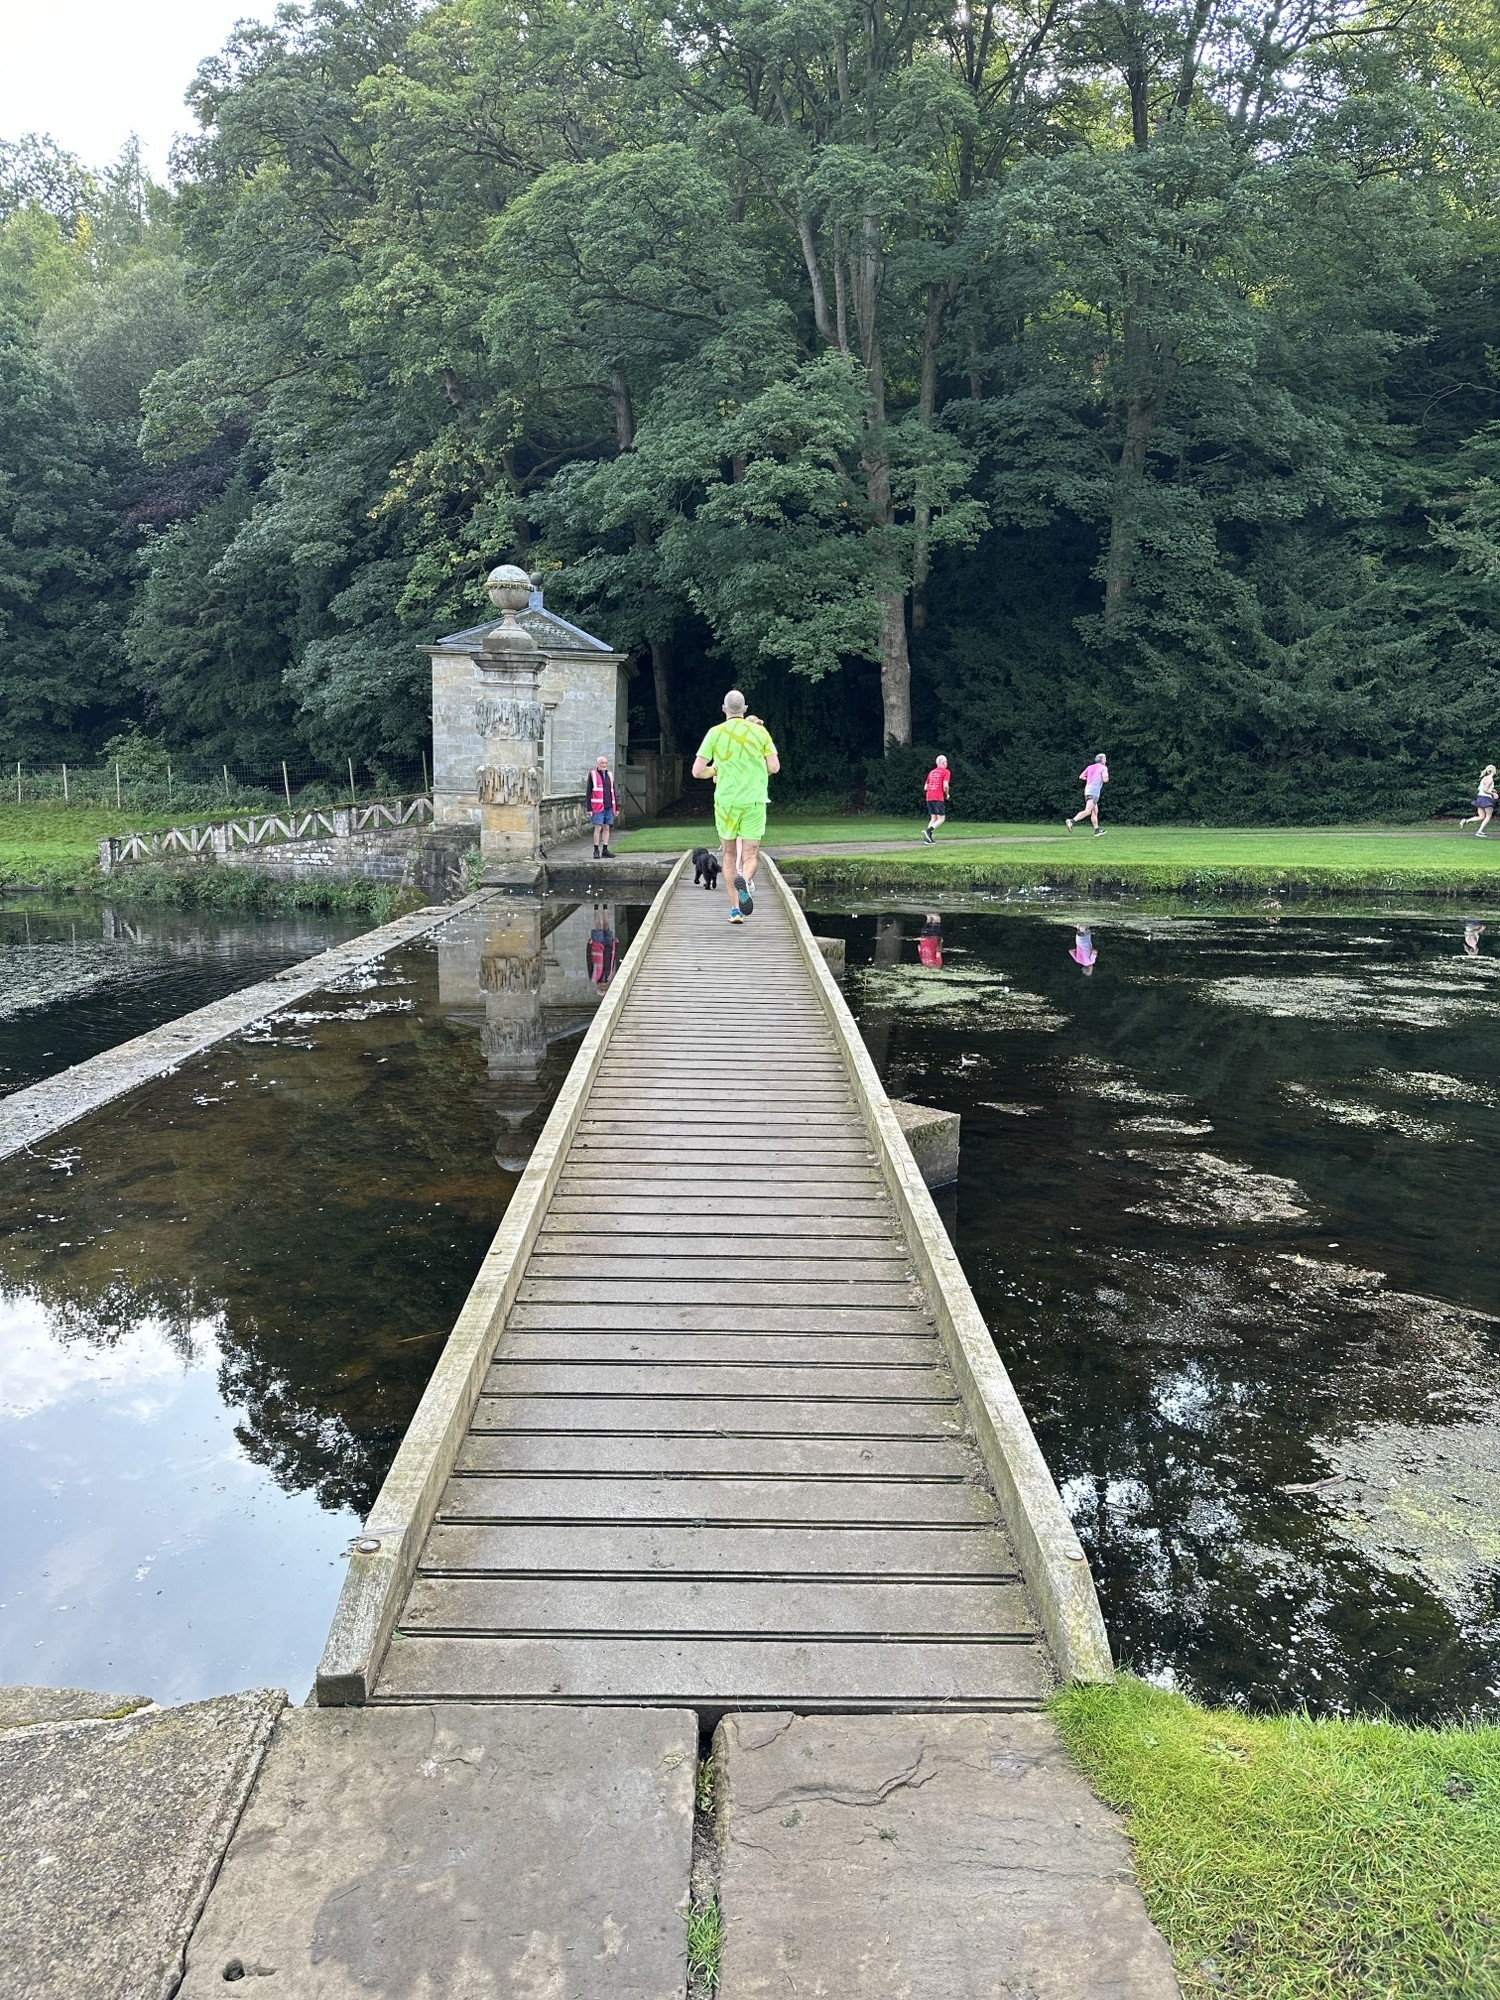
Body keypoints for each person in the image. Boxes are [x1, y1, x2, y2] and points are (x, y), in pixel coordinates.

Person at [692, 691, 780, 923]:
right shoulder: (760, 732)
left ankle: (735, 910)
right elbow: (774, 767)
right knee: (750, 854)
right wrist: (755, 767)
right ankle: (746, 880)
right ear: (745, 708)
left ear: (724, 709)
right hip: (754, 801)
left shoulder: (715, 733)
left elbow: (697, 771)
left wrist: (716, 769)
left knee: (729, 855)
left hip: (726, 803)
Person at [586, 754, 621, 859]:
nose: (604, 765)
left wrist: (616, 807)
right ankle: (596, 850)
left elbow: (613, 791)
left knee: (606, 827)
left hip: (609, 805)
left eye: (606, 763)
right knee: (598, 827)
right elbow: (588, 792)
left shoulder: (610, 775)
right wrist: (589, 808)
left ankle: (605, 850)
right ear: (598, 764)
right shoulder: (593, 774)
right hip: (597, 806)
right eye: (602, 763)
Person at [1065, 754, 1108, 835]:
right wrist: (1105, 778)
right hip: (1094, 791)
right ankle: (1071, 821)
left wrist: (1090, 779)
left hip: (1088, 790)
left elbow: (1081, 776)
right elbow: (1105, 779)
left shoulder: (1090, 767)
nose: (1106, 760)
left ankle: (1097, 830)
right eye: (1105, 758)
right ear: (1101, 760)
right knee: (1088, 811)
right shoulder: (1103, 767)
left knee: (1095, 811)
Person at [1460, 764, 1497, 838]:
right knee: (1488, 816)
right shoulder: (1490, 779)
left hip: (1480, 798)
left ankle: (1466, 821)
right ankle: (1479, 831)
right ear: (1492, 770)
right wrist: (1493, 794)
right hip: (1486, 799)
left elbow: (1481, 788)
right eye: (1495, 769)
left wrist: (1491, 790)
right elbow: (1485, 790)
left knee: (1481, 816)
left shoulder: (1484, 778)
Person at [587, 904, 619, 989]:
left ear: (598, 987)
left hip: (597, 949)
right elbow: (613, 961)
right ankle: (605, 905)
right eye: (604, 988)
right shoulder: (610, 976)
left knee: (598, 926)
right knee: (606, 926)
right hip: (608, 948)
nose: (603, 986)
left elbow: (589, 961)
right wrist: (616, 945)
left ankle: (596, 906)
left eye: (602, 988)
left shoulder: (593, 977)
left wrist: (589, 945)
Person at [922, 756, 951, 844]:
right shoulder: (946, 772)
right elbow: (945, 785)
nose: (947, 763)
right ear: (943, 762)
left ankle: (928, 838)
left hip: (929, 797)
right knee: (941, 818)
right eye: (946, 761)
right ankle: (928, 831)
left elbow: (925, 787)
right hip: (938, 797)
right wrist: (947, 794)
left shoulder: (931, 772)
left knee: (933, 818)